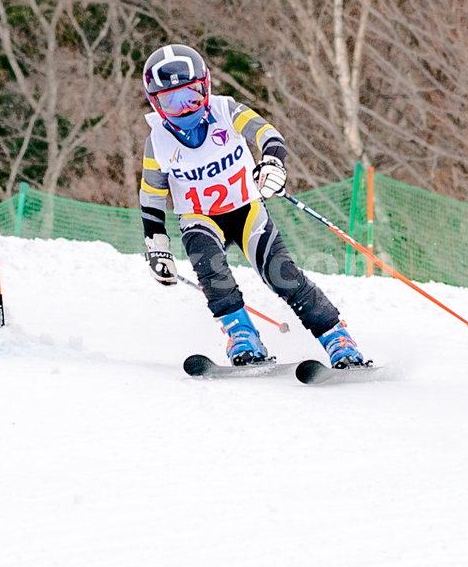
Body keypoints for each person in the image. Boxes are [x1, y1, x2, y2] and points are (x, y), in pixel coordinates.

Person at [138, 44, 367, 367]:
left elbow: (267, 134)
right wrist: (157, 244)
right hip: (199, 218)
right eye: (171, 101)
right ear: (155, 103)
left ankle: (336, 337)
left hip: (246, 209)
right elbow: (151, 195)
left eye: (191, 95)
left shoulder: (226, 110)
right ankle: (242, 334)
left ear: (207, 87)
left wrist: (272, 163)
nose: (185, 107)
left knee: (282, 276)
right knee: (213, 274)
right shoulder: (157, 141)